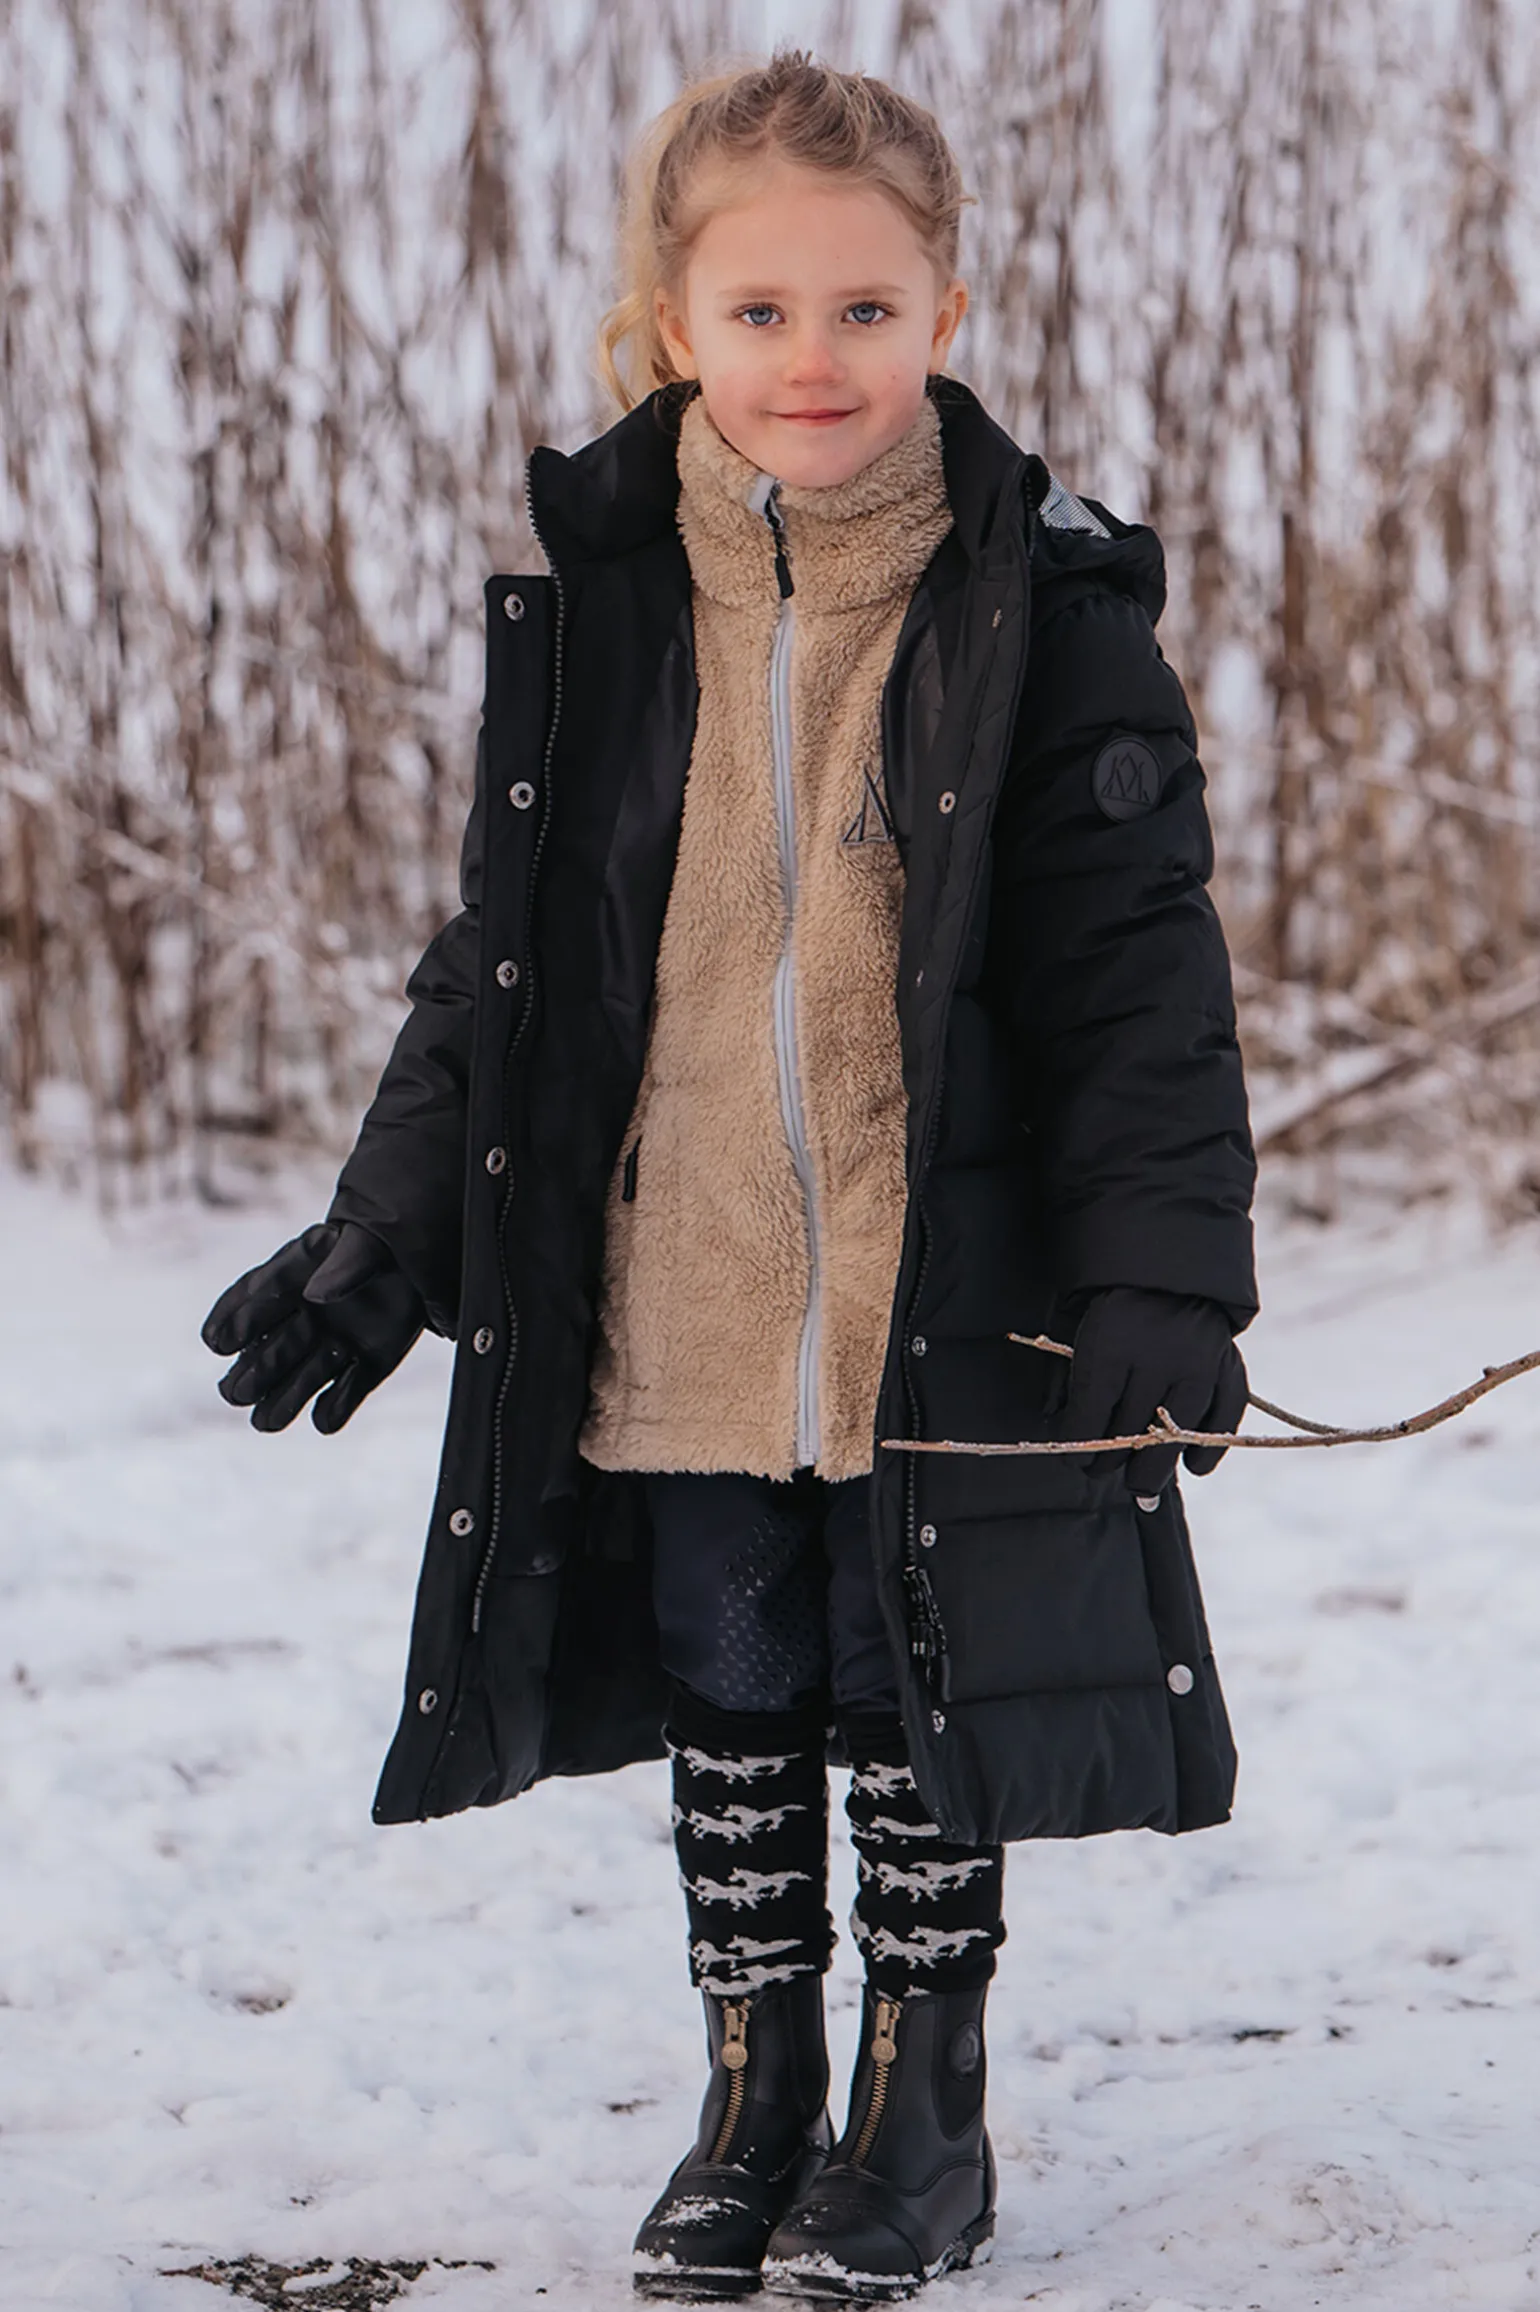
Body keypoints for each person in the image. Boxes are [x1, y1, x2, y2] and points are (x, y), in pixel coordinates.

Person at [202, 51, 1256, 2306]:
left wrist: (1165, 1276)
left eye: (865, 310)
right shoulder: (604, 602)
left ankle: (922, 2107)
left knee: (909, 1674)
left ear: (945, 311)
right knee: (733, 1665)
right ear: (674, 323)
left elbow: (1139, 981)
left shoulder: (1042, 605)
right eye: (761, 311)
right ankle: (753, 2085)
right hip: (680, 1285)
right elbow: (503, 971)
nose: (814, 359)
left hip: (932, 1286)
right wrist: (389, 1234)